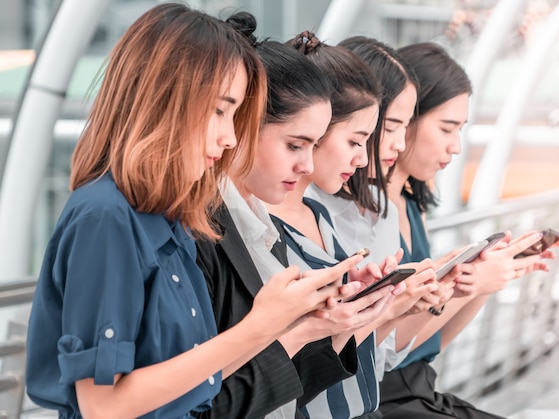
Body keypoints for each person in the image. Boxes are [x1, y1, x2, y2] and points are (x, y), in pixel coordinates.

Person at [24, 5, 357, 418]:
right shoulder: (105, 218)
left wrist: (304, 325)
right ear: (165, 99)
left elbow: (200, 377)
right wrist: (260, 325)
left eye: (234, 115)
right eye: (220, 110)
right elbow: (103, 405)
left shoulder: (173, 220)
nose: (231, 136)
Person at [194, 16, 373, 419]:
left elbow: (279, 388)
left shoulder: (259, 226)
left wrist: (337, 325)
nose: (306, 164)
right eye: (295, 145)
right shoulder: (199, 232)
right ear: (243, 125)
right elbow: (206, 403)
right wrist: (304, 331)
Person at [378, 41, 559, 419]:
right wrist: (473, 282)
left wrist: (483, 284)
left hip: (414, 391)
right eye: (447, 128)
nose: (456, 147)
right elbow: (385, 351)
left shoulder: (411, 205)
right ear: (402, 118)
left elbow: (425, 345)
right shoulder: (365, 213)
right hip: (381, 401)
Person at [269, 33, 439, 419]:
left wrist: (383, 306)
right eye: (356, 140)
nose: (364, 158)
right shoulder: (264, 230)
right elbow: (278, 371)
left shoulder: (319, 217)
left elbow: (344, 351)